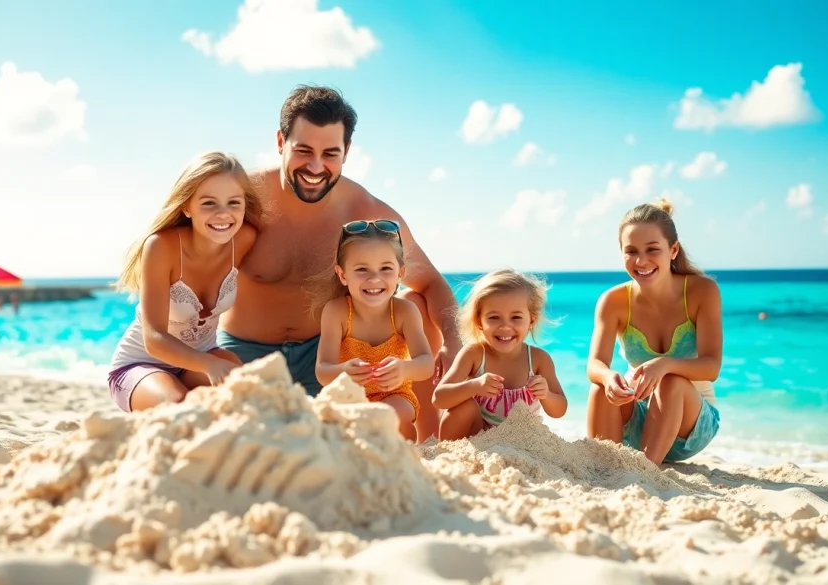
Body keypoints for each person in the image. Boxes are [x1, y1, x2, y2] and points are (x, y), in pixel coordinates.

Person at [217, 84, 462, 441]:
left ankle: (429, 441)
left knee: (415, 304)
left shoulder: (367, 214)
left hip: (330, 358)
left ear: (346, 151)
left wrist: (452, 344)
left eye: (330, 153)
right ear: (280, 142)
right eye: (303, 150)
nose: (316, 166)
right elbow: (187, 262)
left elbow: (432, 285)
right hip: (245, 352)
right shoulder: (243, 197)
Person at [109, 151, 264, 412]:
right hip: (142, 365)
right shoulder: (161, 247)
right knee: (178, 405)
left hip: (202, 359)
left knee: (244, 394)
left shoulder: (245, 239)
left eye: (234, 203)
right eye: (209, 203)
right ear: (186, 207)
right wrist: (208, 364)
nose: (224, 214)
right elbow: (154, 338)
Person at [586, 198, 722, 466]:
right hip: (637, 420)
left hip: (690, 426)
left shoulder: (702, 291)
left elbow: (711, 367)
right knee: (599, 389)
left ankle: (645, 471)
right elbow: (594, 364)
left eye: (652, 250)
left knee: (670, 380)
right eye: (631, 251)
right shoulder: (612, 301)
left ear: (673, 250)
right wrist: (608, 376)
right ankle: (601, 468)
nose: (641, 260)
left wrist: (664, 365)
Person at [314, 219, 435, 441]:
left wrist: (404, 369)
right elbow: (323, 371)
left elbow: (426, 364)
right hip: (350, 398)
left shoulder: (404, 311)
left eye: (386, 268)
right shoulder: (336, 312)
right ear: (342, 275)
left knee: (391, 414)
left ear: (400, 272)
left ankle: (404, 457)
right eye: (361, 269)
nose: (374, 278)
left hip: (395, 395)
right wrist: (343, 372)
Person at [432, 269, 568, 440]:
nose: (505, 327)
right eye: (494, 317)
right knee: (463, 407)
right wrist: (474, 386)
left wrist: (546, 395)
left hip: (525, 442)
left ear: (531, 321)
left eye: (516, 317)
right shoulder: (474, 354)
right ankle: (448, 454)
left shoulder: (539, 359)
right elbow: (439, 398)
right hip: (480, 438)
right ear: (479, 321)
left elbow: (559, 410)